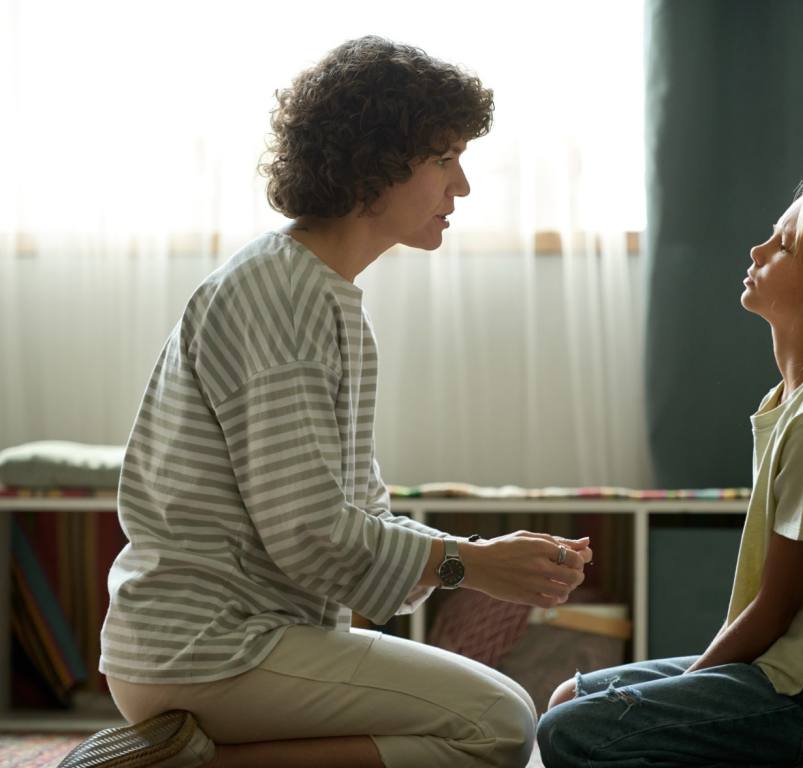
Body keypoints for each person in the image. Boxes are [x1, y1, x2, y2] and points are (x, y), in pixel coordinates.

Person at [58, 36, 592, 768]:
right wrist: (471, 564)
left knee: (491, 715)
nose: (461, 186)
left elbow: (353, 518)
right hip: (210, 646)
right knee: (500, 721)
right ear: (373, 164)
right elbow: (310, 533)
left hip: (245, 639)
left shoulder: (320, 296)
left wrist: (478, 561)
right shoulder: (280, 295)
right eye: (444, 158)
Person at [536, 163, 803, 767]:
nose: (758, 248)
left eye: (785, 245)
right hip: (783, 671)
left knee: (572, 732)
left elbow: (775, 606)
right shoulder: (797, 399)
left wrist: (685, 683)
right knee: (567, 698)